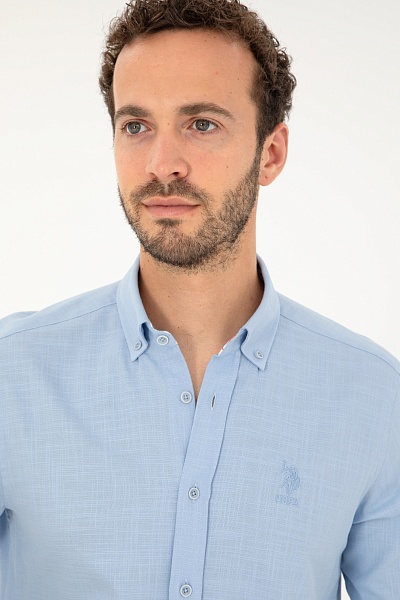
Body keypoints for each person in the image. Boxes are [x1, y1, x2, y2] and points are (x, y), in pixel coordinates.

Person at [0, 0, 399, 598]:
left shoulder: (373, 398)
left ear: (271, 153)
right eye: (136, 126)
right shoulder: (13, 375)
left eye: (202, 124)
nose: (162, 165)